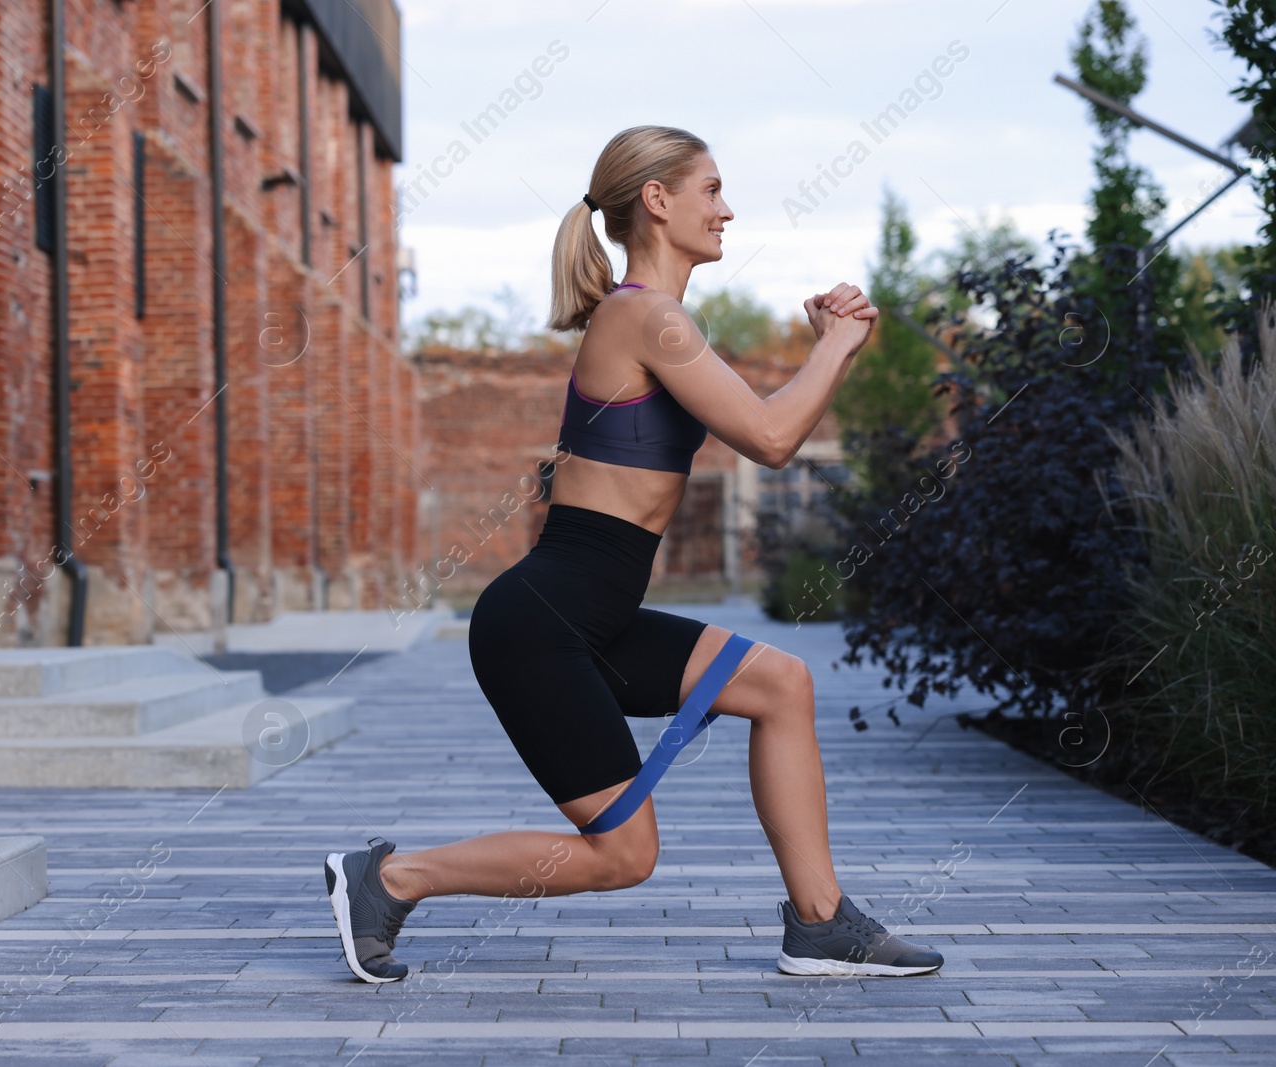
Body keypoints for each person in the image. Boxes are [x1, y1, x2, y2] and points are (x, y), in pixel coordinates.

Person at [325, 124, 944, 983]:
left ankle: (822, 921)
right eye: (712, 190)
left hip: (593, 616)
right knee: (621, 856)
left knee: (781, 683)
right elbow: (769, 436)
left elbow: (758, 421)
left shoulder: (658, 320)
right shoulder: (643, 315)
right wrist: (835, 346)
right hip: (542, 625)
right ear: (658, 201)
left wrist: (823, 355)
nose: (727, 210)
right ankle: (390, 878)